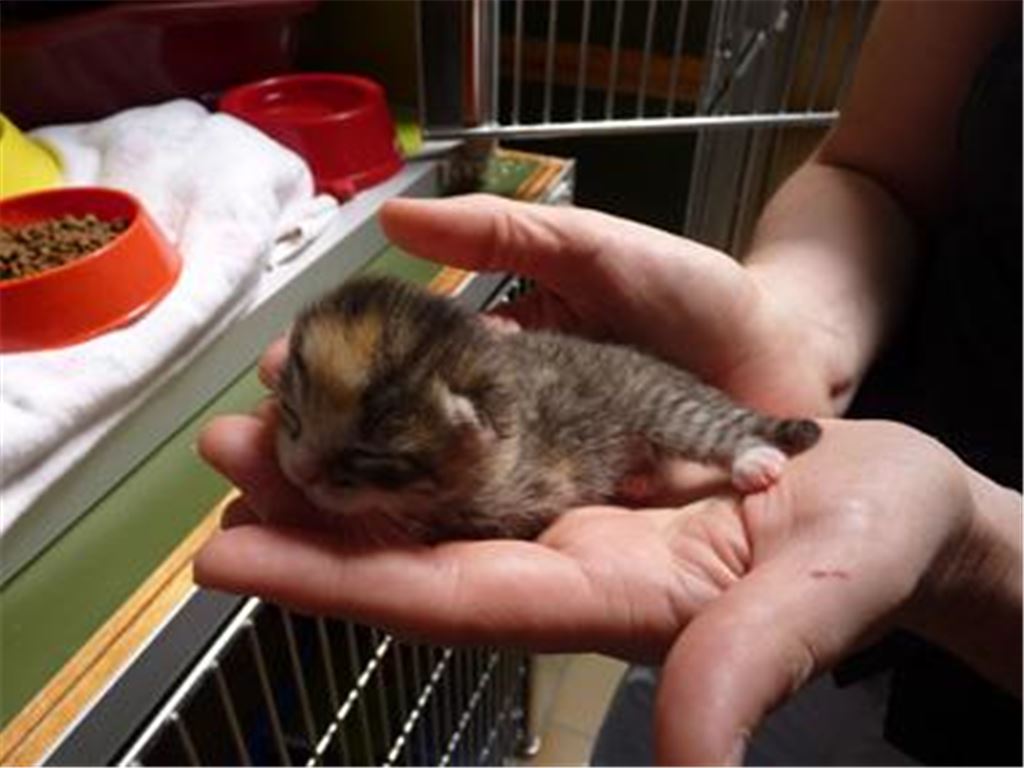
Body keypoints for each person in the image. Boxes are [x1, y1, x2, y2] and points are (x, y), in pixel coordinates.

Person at [193, 1, 1021, 764]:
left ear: (470, 438)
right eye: (293, 421)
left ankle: (749, 435)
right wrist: (799, 337)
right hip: (850, 484)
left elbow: (625, 411)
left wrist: (977, 554)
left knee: (668, 410)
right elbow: (877, 171)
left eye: (356, 465)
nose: (301, 469)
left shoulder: (490, 430)